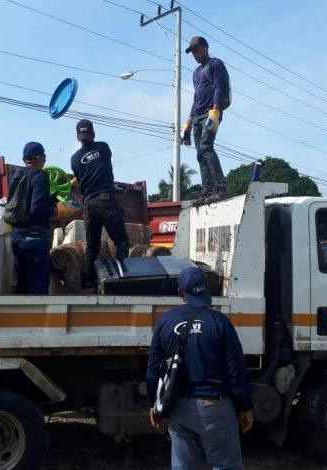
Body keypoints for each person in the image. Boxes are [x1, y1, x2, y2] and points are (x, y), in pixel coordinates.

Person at [147, 266, 253, 470]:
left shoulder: (165, 322)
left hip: (177, 407)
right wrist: (245, 406)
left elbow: (154, 369)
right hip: (214, 407)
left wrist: (155, 403)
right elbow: (236, 369)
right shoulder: (220, 322)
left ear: (180, 293)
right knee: (226, 466)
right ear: (207, 291)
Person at [70, 119, 129, 288]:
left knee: (92, 246)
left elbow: (80, 177)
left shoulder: (74, 159)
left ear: (78, 137)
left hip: (89, 205)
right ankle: (123, 278)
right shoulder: (104, 148)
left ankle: (88, 282)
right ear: (93, 134)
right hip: (106, 201)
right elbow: (99, 166)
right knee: (121, 242)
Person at [182, 36, 231, 202]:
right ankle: (206, 192)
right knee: (200, 154)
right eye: (192, 52)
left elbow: (218, 87)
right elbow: (196, 99)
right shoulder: (196, 73)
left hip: (210, 113)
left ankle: (221, 188)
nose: (194, 54)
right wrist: (188, 124)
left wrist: (216, 111)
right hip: (197, 116)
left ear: (205, 47)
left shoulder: (215, 64)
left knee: (206, 146)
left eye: (196, 50)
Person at [9, 142, 57, 295]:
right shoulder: (40, 176)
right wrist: (57, 210)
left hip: (16, 236)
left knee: (22, 284)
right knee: (38, 287)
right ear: (42, 158)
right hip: (35, 237)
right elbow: (36, 209)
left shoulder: (16, 175)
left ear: (24, 160)